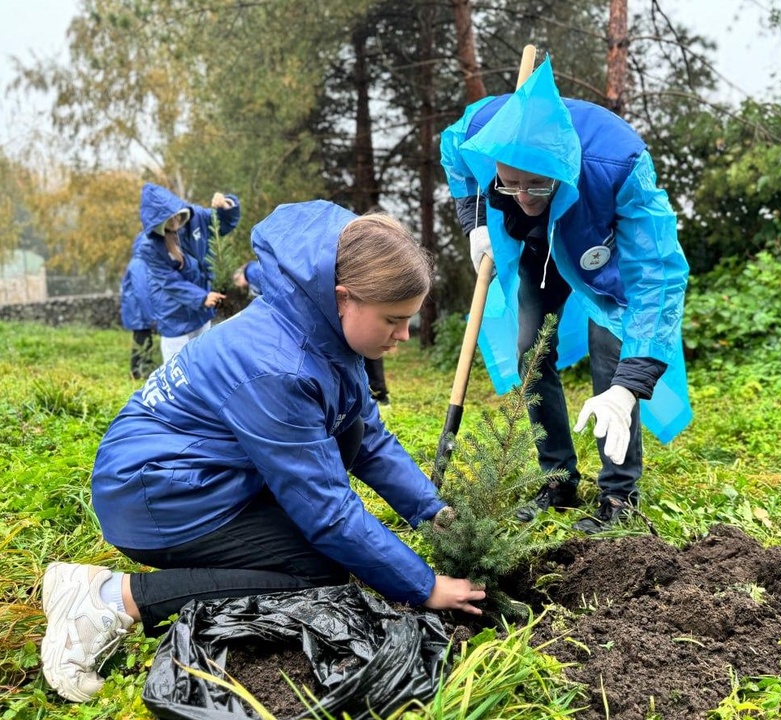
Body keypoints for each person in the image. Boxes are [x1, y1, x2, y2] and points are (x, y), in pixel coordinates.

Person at [39, 201, 485, 703]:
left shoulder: (319, 324)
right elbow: (330, 515)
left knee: (348, 458)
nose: (403, 335)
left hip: (199, 472)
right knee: (314, 571)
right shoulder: (280, 367)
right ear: (343, 298)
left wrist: (433, 512)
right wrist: (424, 586)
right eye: (394, 320)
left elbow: (369, 437)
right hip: (154, 493)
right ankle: (107, 600)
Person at [440, 56, 692, 533]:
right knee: (529, 350)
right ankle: (557, 478)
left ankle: (620, 495)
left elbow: (657, 277)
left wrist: (630, 384)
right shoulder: (483, 128)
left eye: (537, 183)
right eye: (509, 184)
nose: (525, 196)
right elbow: (453, 152)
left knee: (610, 358)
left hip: (599, 244)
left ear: (563, 168)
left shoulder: (618, 165)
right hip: (537, 250)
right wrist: (475, 221)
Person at [235, 259, 389, 403]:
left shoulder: (251, 271)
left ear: (239, 276)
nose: (239, 286)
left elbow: (272, 289)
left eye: (237, 283)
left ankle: (373, 393)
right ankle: (375, 393)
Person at [137, 183, 241, 362]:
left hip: (202, 309)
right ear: (157, 224)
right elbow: (170, 282)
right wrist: (201, 298)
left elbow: (222, 224)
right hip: (174, 314)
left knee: (204, 362)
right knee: (178, 369)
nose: (175, 222)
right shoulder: (150, 247)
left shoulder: (196, 216)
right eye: (168, 220)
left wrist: (226, 205)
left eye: (176, 215)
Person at [119, 234, 156, 380]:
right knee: (143, 342)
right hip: (139, 312)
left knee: (142, 342)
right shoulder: (140, 264)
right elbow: (142, 291)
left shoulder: (138, 262)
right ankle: (138, 374)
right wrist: (151, 316)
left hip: (136, 312)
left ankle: (140, 373)